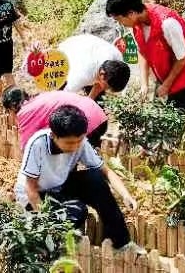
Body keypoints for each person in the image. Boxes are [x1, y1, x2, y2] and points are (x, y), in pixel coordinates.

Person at [14, 105, 143, 253]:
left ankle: (121, 243)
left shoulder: (80, 142)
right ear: (53, 136)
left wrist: (126, 195)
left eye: (79, 141)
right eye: (69, 143)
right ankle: (50, 246)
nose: (75, 146)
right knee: (77, 211)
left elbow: (106, 171)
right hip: (34, 195)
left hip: (59, 186)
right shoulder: (38, 143)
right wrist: (45, 221)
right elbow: (31, 189)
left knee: (95, 178)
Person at [105, 0, 185, 115]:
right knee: (158, 120)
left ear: (131, 13)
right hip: (165, 74)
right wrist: (144, 85)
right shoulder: (137, 25)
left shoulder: (167, 23)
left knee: (176, 123)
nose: (120, 24)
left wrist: (166, 85)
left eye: (119, 19)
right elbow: (142, 52)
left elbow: (183, 58)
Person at [2, 87, 109, 150]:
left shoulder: (25, 112)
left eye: (8, 111)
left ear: (12, 107)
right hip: (98, 116)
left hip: (86, 124)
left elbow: (28, 147)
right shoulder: (38, 99)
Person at [58, 34, 131, 103]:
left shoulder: (117, 59)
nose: (107, 90)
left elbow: (100, 84)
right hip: (62, 56)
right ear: (102, 74)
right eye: (107, 87)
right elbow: (64, 96)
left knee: (96, 100)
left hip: (87, 47)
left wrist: (89, 102)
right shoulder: (82, 76)